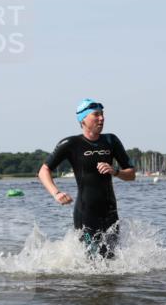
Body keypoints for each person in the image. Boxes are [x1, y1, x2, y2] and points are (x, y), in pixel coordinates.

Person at [38, 98, 135, 258]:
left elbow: (131, 174)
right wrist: (56, 193)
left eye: (102, 114)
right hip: (85, 213)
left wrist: (116, 171)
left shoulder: (111, 140)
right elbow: (44, 170)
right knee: (91, 258)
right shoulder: (71, 143)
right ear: (83, 119)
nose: (101, 118)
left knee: (111, 259)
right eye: (96, 115)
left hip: (110, 212)